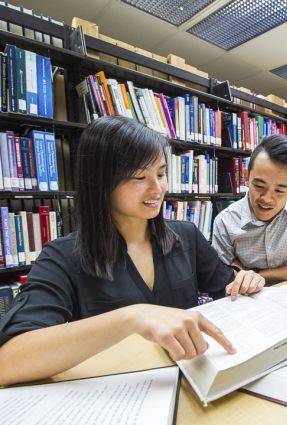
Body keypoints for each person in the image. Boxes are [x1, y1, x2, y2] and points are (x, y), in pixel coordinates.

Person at [0, 115, 265, 386]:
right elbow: (7, 363)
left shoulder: (186, 236)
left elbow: (229, 288)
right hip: (118, 396)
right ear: (101, 182)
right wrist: (131, 318)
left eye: (161, 174)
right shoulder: (62, 257)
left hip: (191, 382)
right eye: (139, 177)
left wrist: (246, 279)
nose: (157, 188)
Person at [212, 134, 287, 284]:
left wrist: (256, 274)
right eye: (259, 186)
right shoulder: (225, 221)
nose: (266, 199)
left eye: (279, 191)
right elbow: (225, 275)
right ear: (246, 177)